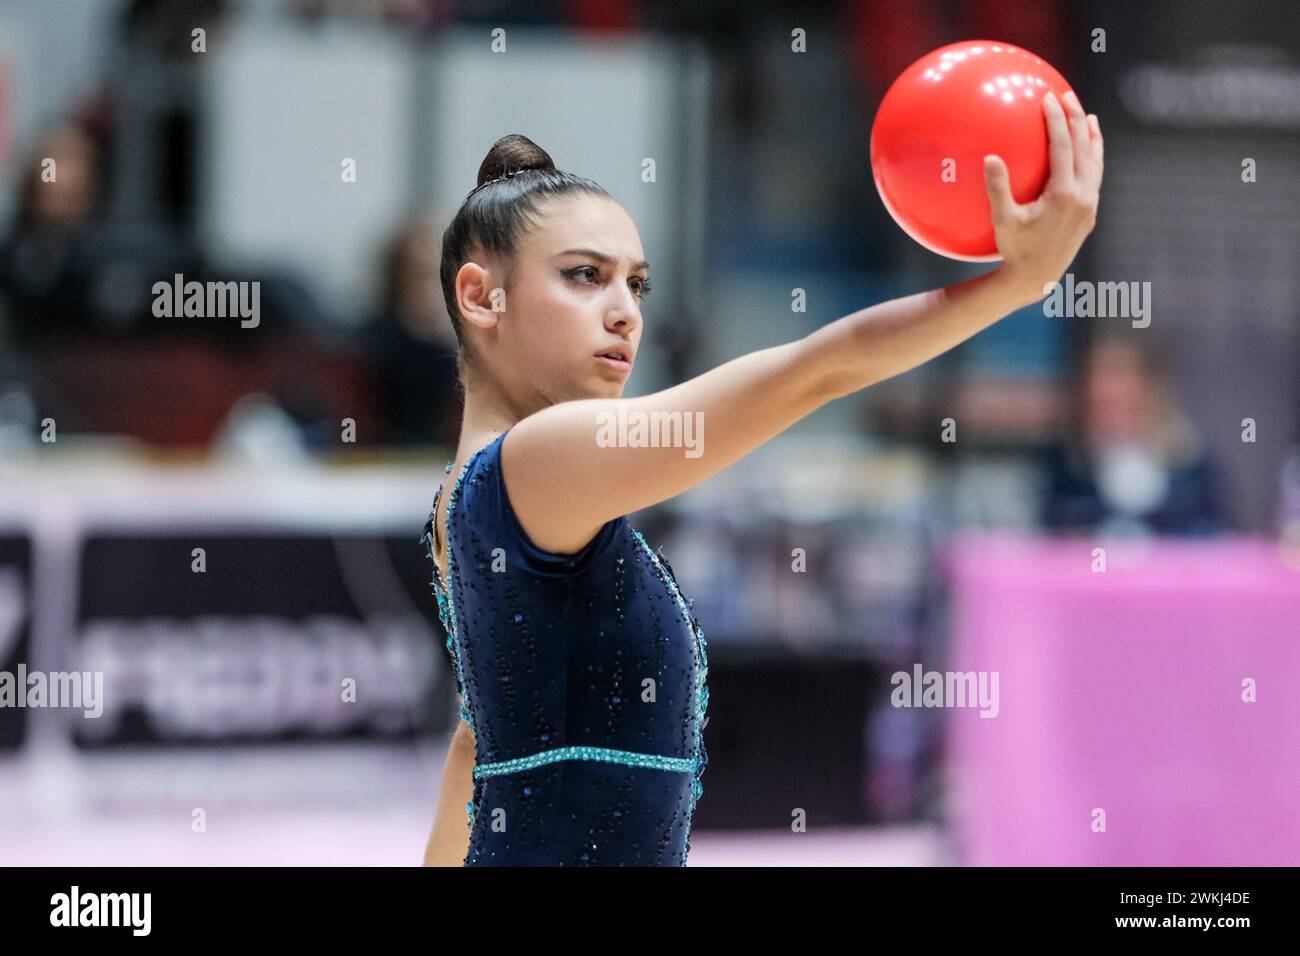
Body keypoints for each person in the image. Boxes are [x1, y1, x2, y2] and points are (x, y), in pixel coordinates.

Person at [421, 90, 1103, 866]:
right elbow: (815, 374)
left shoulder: (462, 499)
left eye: (636, 285)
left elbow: (475, 753)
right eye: (584, 276)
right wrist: (1015, 286)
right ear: (480, 296)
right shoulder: (537, 461)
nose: (624, 314)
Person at [1040, 335, 1227, 536]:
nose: (1112, 420)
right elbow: (1052, 541)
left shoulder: (1192, 470)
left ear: (1150, 395)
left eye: (1123, 406)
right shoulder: (1068, 473)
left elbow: (1215, 541)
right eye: (1100, 406)